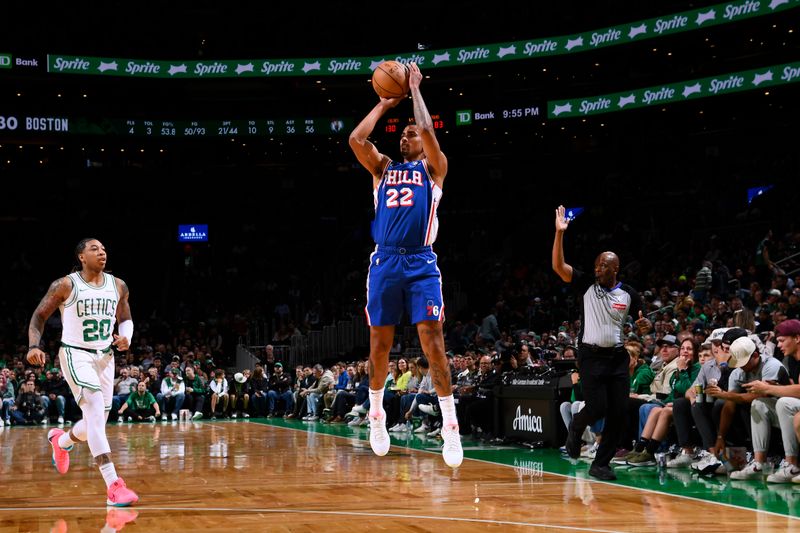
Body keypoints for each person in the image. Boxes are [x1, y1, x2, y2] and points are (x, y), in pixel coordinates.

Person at [349, 61, 462, 467]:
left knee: (433, 342)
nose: (406, 137)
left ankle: (451, 426)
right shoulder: (383, 169)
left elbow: (429, 131)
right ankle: (376, 414)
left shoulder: (434, 169)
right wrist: (383, 104)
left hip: (421, 262)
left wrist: (414, 90)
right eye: (403, 134)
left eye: (410, 133)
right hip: (384, 261)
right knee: (379, 344)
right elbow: (356, 138)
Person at [25, 238, 139, 506]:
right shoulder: (66, 284)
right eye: (94, 249)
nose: (102, 252)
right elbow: (39, 316)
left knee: (93, 424)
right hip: (75, 354)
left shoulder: (118, 285)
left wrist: (126, 338)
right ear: (81, 257)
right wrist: (33, 345)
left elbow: (125, 318)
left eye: (104, 249)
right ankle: (114, 485)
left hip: (105, 358)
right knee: (96, 413)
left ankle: (62, 440)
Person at [552, 206, 652, 480]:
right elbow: (558, 267)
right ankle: (575, 429)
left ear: (615, 269)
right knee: (597, 407)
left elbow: (644, 322)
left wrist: (646, 326)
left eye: (604, 265)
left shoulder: (629, 294)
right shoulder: (586, 284)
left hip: (617, 358)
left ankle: (600, 463)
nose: (598, 268)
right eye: (597, 264)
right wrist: (560, 234)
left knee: (619, 413)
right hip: (590, 356)